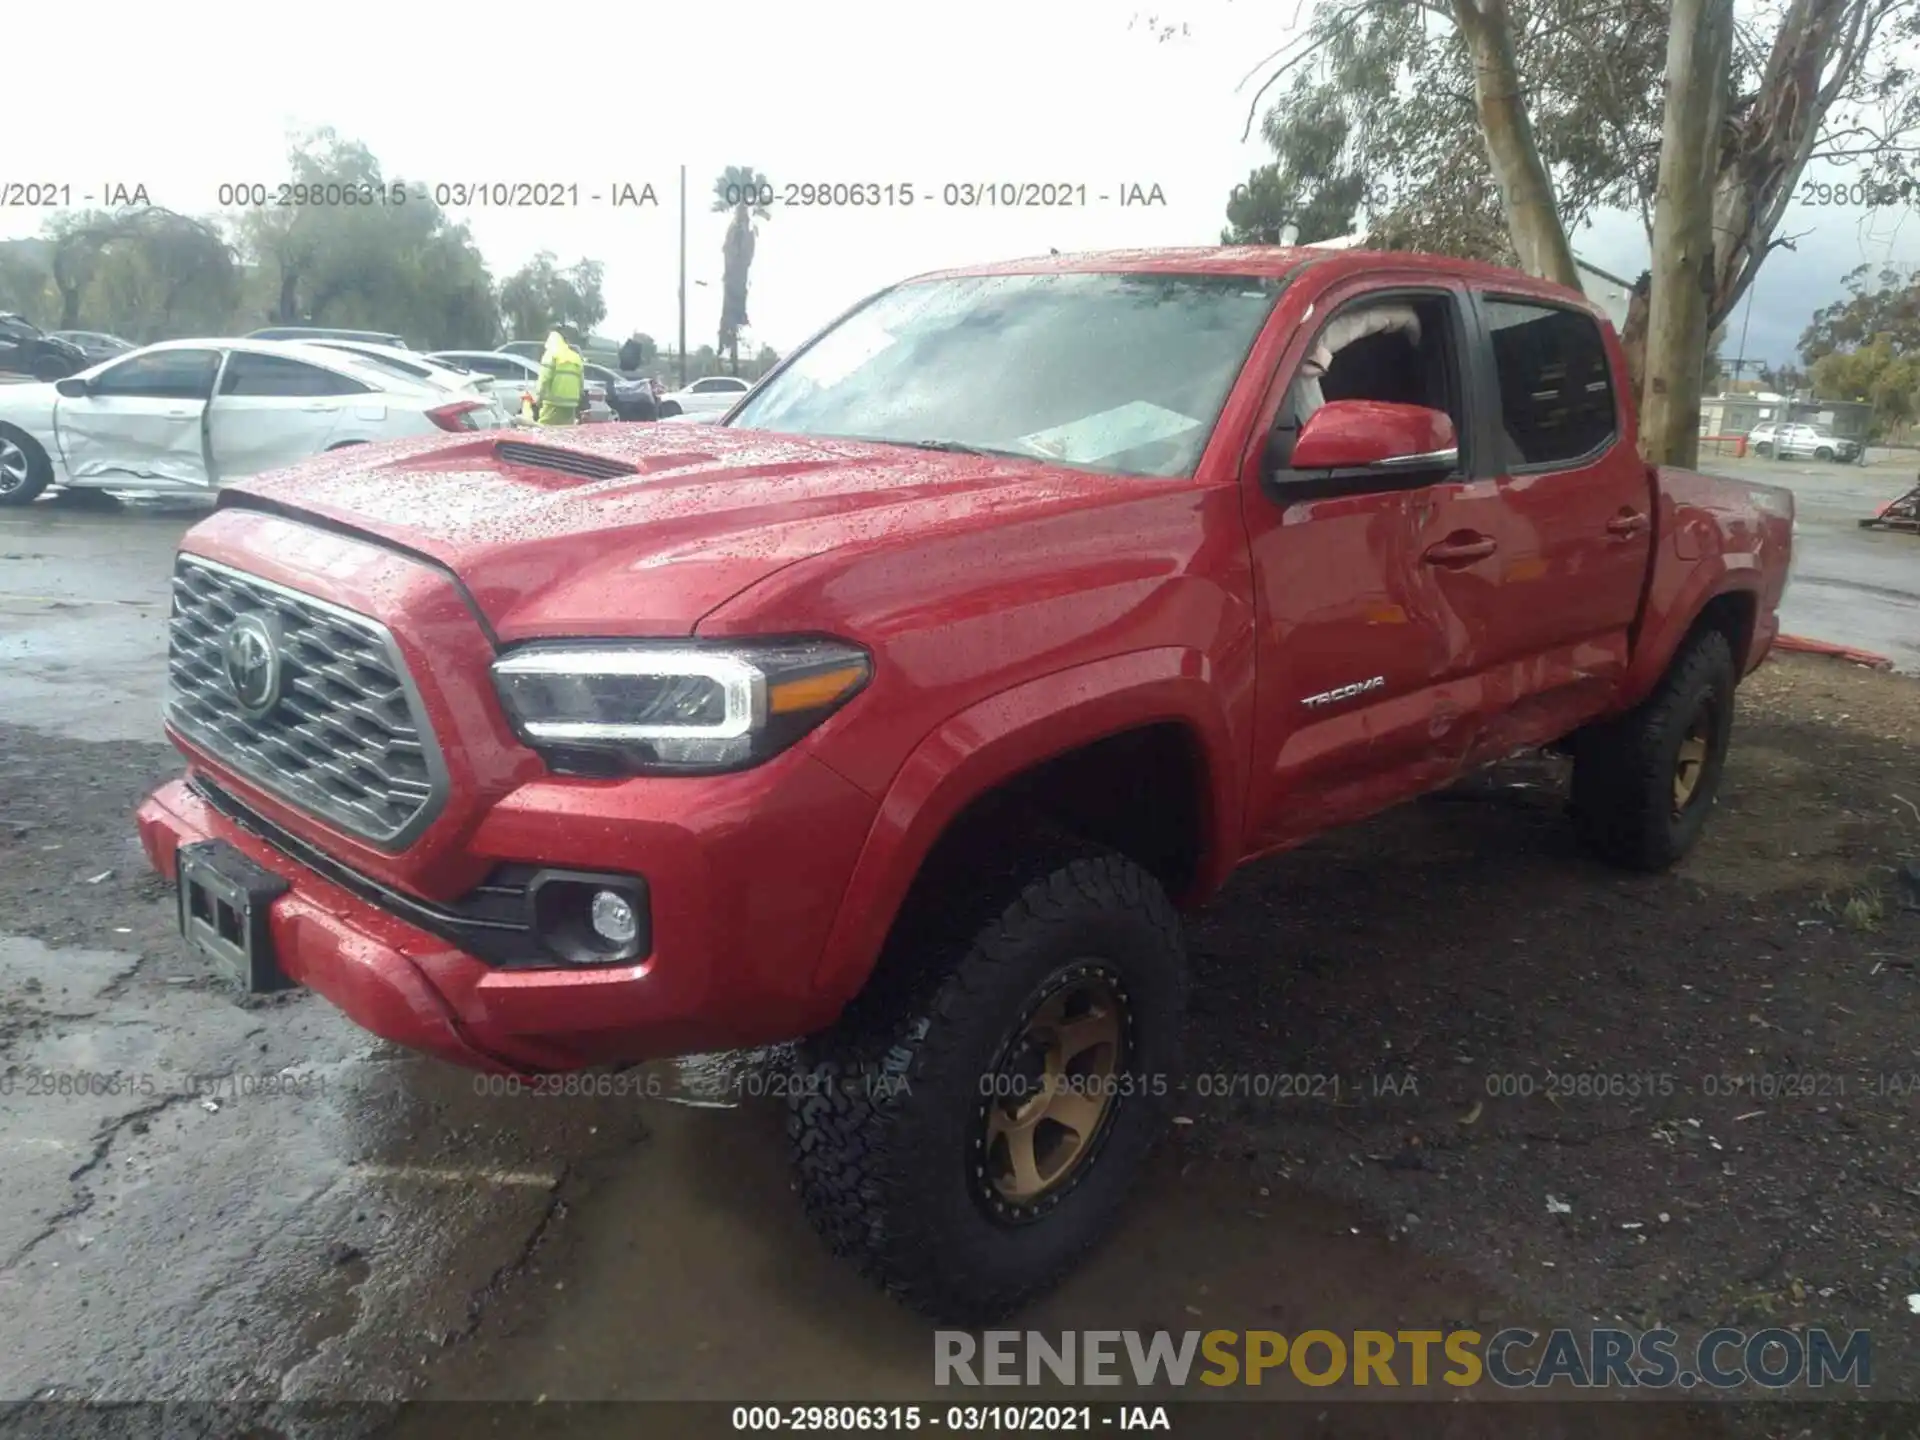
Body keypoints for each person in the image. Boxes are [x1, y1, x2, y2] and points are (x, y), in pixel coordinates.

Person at [531, 324, 586, 426]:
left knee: (545, 429)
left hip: (553, 402)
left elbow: (544, 378)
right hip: (571, 404)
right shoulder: (575, 356)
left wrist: (538, 398)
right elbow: (581, 382)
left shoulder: (551, 354)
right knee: (566, 431)